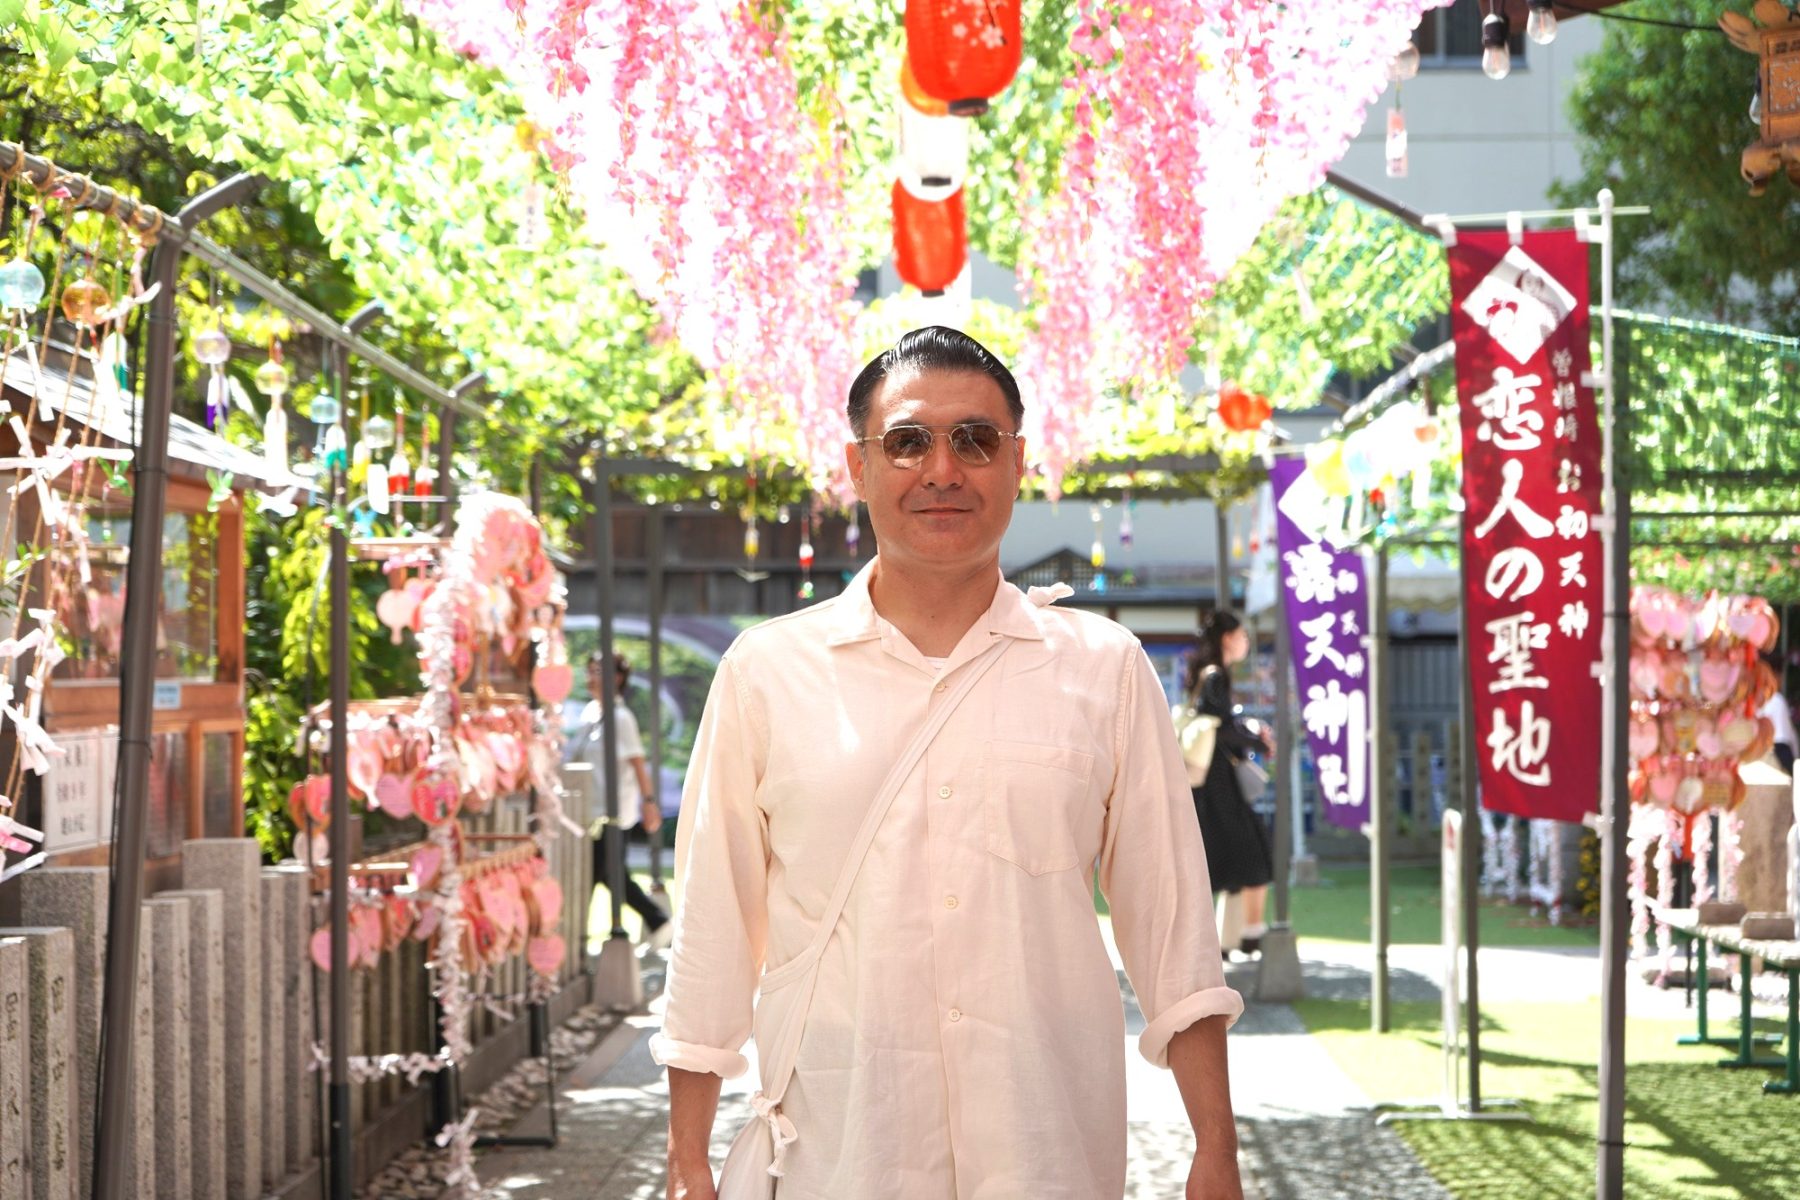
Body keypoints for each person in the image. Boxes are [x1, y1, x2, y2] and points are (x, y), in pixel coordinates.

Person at [652, 327, 1244, 1200]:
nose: (941, 470)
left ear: (1017, 463)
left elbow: (1173, 923)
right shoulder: (767, 674)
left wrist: (1216, 1149)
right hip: (842, 1155)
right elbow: (714, 925)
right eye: (906, 441)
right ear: (858, 469)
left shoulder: (1103, 670)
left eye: (974, 440)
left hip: (1047, 1150)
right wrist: (686, 1158)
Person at [1186, 610, 1275, 958]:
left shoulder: (1209, 675)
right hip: (1217, 785)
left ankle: (1229, 940)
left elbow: (1219, 723)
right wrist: (1257, 742)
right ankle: (1248, 936)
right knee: (1252, 855)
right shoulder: (1215, 677)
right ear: (1227, 638)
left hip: (1212, 784)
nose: (1246, 642)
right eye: (1242, 636)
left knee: (1227, 861)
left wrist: (1249, 733)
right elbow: (1218, 728)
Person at [578, 651, 671, 950]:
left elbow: (637, 763)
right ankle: (659, 922)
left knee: (605, 874)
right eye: (590, 671)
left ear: (617, 678)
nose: (591, 678)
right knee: (608, 874)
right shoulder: (590, 713)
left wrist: (649, 801)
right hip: (588, 813)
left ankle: (658, 922)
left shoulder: (621, 718)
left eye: (598, 672)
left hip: (613, 812)